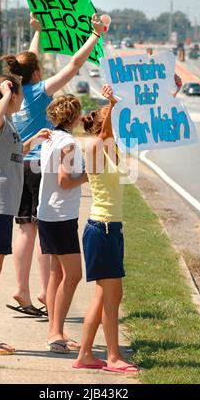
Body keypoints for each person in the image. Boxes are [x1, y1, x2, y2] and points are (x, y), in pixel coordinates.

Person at [74, 75, 182, 372]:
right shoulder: (95, 149)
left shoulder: (113, 149)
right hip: (102, 229)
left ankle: (85, 355)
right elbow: (109, 130)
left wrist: (171, 93)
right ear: (102, 125)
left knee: (107, 294)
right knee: (111, 298)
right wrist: (110, 102)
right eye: (110, 118)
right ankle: (112, 357)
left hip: (110, 229)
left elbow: (150, 123)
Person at [1, 12, 105, 317]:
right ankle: (47, 293)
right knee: (43, 230)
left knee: (24, 230)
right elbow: (73, 65)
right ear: (37, 73)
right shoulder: (38, 90)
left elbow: (30, 60)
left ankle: (23, 288)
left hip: (19, 163)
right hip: (39, 167)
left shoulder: (17, 90)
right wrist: (95, 36)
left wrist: (39, 30)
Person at [0, 75, 51, 355]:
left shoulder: (10, 125)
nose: (21, 99)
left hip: (3, 206)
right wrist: (5, 93)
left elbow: (14, 153)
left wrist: (34, 140)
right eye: (17, 94)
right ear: (10, 95)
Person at [37, 95, 87, 353]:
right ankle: (55, 333)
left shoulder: (50, 139)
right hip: (60, 216)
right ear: (75, 117)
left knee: (57, 273)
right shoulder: (67, 143)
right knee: (74, 275)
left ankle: (55, 330)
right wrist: (88, 175)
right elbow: (65, 181)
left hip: (47, 213)